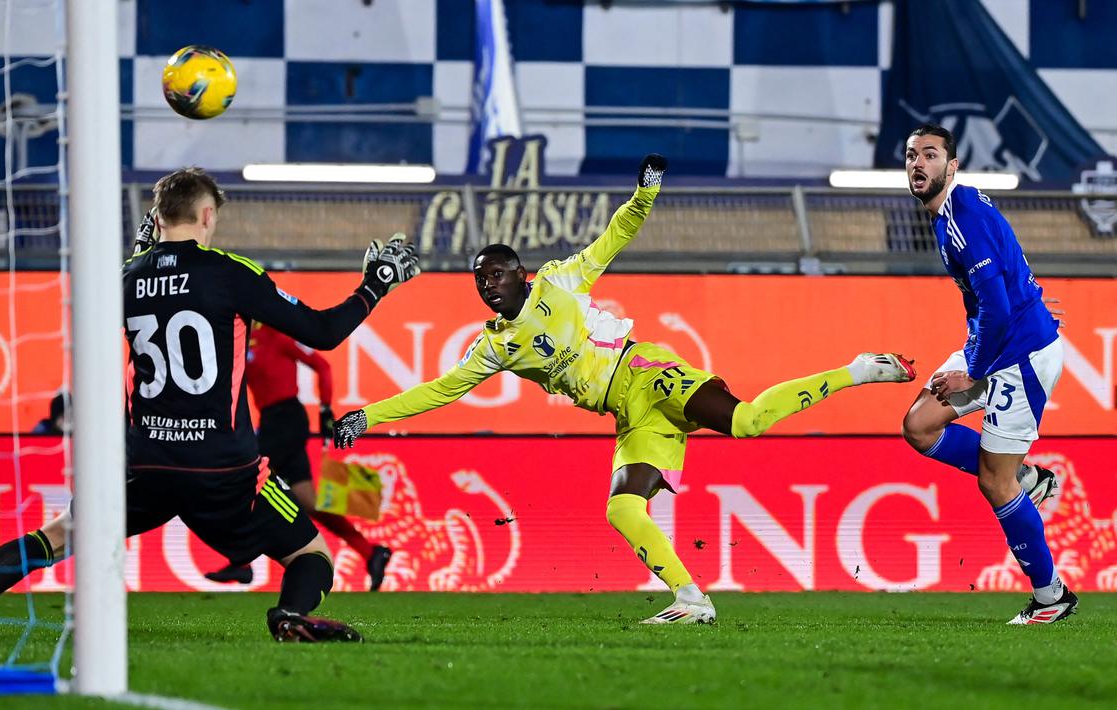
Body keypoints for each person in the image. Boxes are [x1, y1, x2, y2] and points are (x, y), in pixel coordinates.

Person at [333, 155, 915, 625]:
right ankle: (693, 599)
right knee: (621, 508)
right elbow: (438, 391)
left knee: (746, 422)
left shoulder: (560, 283)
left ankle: (857, 370)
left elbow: (614, 238)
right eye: (478, 279)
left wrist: (645, 194)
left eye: (496, 275)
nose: (486, 286)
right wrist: (366, 414)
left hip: (647, 374)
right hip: (631, 416)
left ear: (520, 273)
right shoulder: (494, 346)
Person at [0, 167, 420, 643]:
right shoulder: (231, 272)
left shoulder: (126, 277)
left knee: (47, 540)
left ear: (157, 216)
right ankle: (289, 615)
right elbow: (323, 334)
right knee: (310, 555)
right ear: (208, 215)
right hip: (226, 469)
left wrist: (140, 257)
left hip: (142, 464)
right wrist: (376, 285)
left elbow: (108, 334)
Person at [899, 124, 1076, 625]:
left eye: (930, 155)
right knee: (919, 425)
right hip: (996, 342)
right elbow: (1003, 283)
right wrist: (1030, 303)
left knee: (992, 484)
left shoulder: (962, 216)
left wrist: (972, 376)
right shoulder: (953, 211)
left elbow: (997, 306)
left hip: (1017, 359)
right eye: (912, 155)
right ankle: (1027, 477)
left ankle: (1051, 597)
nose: (918, 163)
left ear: (950, 167)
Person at [205, 323, 392, 590]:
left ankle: (242, 562)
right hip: (271, 421)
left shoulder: (276, 333)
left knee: (245, 479)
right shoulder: (239, 338)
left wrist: (326, 408)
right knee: (308, 501)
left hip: (286, 419)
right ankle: (371, 552)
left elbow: (322, 366)